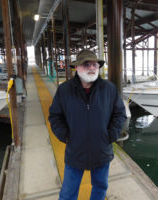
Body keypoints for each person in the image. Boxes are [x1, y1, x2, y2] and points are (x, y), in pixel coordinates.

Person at [48, 49, 126, 200]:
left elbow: (119, 114)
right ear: (76, 67)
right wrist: (65, 136)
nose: (91, 68)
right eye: (86, 64)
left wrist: (110, 136)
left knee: (100, 187)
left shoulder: (109, 89)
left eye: (94, 65)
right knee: (68, 193)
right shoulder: (64, 90)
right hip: (75, 151)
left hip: (102, 151)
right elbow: (55, 116)